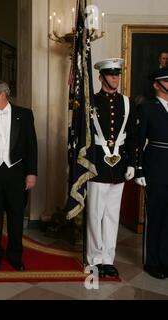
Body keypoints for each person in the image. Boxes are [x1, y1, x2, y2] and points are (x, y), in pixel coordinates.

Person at [0, 80, 38, 272]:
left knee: (16, 217)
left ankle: (15, 257)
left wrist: (31, 173)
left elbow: (31, 146)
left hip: (16, 173)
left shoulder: (24, 114)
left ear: (2, 95)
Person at [87, 58, 137, 278]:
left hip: (119, 166)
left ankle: (108, 259)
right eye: (110, 74)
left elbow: (133, 137)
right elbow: (83, 137)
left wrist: (134, 163)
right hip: (97, 165)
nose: (115, 78)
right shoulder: (91, 102)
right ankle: (94, 259)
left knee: (112, 216)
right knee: (95, 215)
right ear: (101, 77)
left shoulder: (127, 102)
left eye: (117, 74)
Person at [135, 67, 168, 279]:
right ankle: (152, 261)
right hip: (155, 167)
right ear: (157, 84)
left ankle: (166, 259)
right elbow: (138, 141)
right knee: (155, 215)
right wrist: (138, 168)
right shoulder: (147, 108)